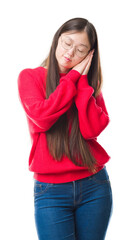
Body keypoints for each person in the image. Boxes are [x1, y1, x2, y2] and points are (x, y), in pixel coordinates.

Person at [17, 17, 113, 240]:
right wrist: (72, 77)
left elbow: (92, 130)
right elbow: (43, 117)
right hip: (51, 192)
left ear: (90, 55)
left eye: (81, 50)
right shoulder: (30, 77)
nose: (70, 53)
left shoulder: (89, 85)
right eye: (67, 43)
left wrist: (82, 83)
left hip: (95, 185)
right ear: (57, 39)